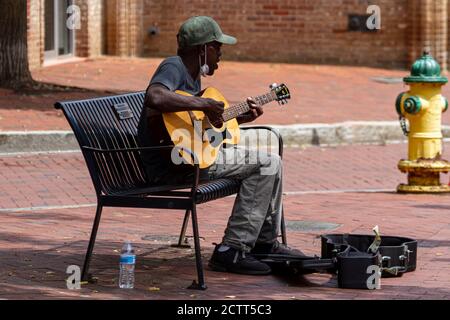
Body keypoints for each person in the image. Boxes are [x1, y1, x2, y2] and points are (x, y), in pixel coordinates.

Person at [138, 16, 303, 276]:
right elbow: (154, 96)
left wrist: (237, 117)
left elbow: (196, 127)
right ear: (202, 48)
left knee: (273, 162)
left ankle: (264, 242)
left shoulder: (192, 77)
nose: (220, 55)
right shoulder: (174, 66)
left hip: (188, 157)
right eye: (218, 48)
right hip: (173, 164)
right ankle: (232, 251)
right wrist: (203, 105)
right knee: (266, 164)